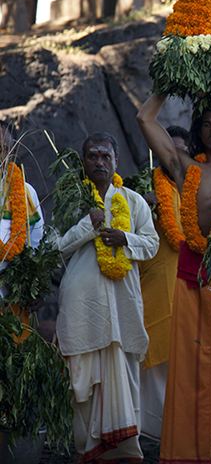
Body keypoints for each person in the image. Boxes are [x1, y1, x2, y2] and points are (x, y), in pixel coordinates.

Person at [137, 94, 211, 464]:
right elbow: (144, 119)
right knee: (187, 359)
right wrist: (165, 87)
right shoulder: (185, 167)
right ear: (197, 130)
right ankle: (189, 448)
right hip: (190, 270)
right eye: (207, 124)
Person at [55, 132, 159, 463]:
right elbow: (53, 247)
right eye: (92, 156)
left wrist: (124, 238)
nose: (99, 161)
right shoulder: (71, 201)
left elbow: (152, 243)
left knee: (122, 374)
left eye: (105, 156)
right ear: (82, 162)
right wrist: (88, 224)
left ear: (116, 161)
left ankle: (123, 454)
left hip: (121, 305)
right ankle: (86, 451)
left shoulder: (132, 200)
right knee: (81, 381)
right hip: (81, 306)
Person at [139, 125, 190, 440]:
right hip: (153, 287)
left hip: (189, 285)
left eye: (180, 150)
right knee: (153, 362)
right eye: (167, 148)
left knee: (186, 362)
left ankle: (182, 434)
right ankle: (153, 434)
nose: (172, 155)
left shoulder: (202, 186)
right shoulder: (142, 191)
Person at [0, 122, 45, 283]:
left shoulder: (25, 191)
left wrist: (31, 279)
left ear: (11, 152)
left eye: (4, 148)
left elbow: (36, 239)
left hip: (9, 289)